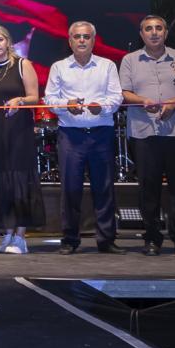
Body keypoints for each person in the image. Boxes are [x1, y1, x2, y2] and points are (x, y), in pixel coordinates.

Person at [119, 15, 175, 257]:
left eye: (158, 28)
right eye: (148, 29)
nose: (154, 32)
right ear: (141, 34)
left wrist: (174, 104)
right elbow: (124, 93)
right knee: (148, 189)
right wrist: (142, 100)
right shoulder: (129, 60)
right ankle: (152, 238)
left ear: (166, 33)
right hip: (144, 134)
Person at [45, 21, 124, 255]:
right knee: (70, 189)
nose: (81, 40)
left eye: (86, 37)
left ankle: (107, 240)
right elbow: (49, 98)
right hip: (70, 134)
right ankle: (70, 239)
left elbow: (116, 97)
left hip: (101, 133)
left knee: (105, 187)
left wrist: (103, 108)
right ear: (69, 41)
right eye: (77, 37)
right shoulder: (59, 67)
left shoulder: (107, 66)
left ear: (93, 40)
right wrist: (65, 106)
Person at [0, 24, 43, 255]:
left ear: (8, 42)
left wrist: (20, 101)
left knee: (20, 181)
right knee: (0, 183)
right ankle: (7, 234)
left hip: (19, 132)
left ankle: (21, 238)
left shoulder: (23, 65)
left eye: (0, 40)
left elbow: (35, 97)